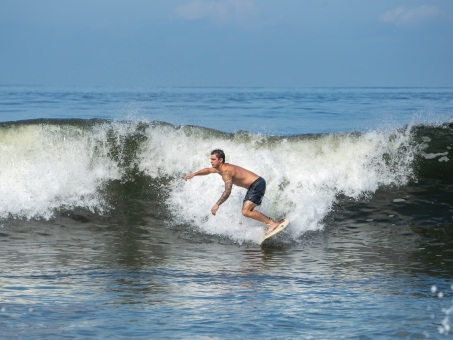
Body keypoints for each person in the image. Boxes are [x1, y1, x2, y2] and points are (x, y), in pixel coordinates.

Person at [184, 149, 281, 234]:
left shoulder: (226, 172)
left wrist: (217, 204)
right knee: (248, 210)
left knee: (246, 211)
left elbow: (228, 191)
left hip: (256, 185)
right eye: (211, 159)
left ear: (221, 160)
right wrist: (194, 174)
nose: (211, 161)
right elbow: (208, 170)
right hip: (256, 184)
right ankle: (272, 222)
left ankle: (272, 224)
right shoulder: (220, 168)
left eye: (213, 159)